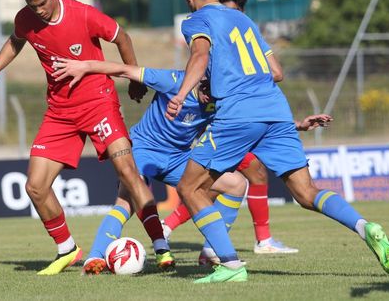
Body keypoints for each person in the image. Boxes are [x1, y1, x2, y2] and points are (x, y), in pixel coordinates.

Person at [167, 0, 389, 284]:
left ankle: (230, 265)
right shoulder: (244, 20)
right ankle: (365, 227)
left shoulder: (197, 20)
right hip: (274, 107)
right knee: (306, 192)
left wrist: (181, 94)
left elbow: (200, 56)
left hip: (237, 112)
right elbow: (276, 71)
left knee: (190, 186)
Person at [0, 0, 173, 275]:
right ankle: (67, 249)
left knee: (128, 173)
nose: (37, 11)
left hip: (99, 103)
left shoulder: (83, 14)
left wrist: (134, 78)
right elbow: (16, 41)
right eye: (31, 5)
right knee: (35, 186)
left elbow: (123, 38)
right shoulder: (26, 19)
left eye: (41, 3)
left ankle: (161, 247)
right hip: (60, 112)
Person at [49, 59, 333, 272]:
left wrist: (298, 126)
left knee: (236, 183)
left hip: (178, 158)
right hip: (143, 149)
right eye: (207, 90)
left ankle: (212, 251)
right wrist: (85, 65)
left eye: (215, 92)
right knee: (129, 198)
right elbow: (126, 70)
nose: (211, 98)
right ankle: (97, 256)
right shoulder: (174, 80)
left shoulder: (219, 101)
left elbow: (253, 124)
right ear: (198, 80)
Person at [162, 0, 304, 255]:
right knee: (217, 183)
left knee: (241, 178)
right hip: (226, 121)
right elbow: (274, 72)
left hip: (238, 117)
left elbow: (276, 72)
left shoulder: (219, 28)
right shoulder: (228, 28)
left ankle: (234, 244)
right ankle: (225, 244)